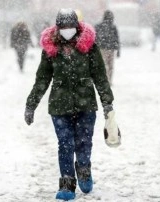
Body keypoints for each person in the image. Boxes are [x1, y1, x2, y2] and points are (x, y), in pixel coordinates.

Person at [24, 8, 115, 201]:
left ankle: (83, 170)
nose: (67, 29)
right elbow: (42, 79)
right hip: (59, 106)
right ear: (58, 28)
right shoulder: (51, 50)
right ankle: (67, 184)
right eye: (63, 26)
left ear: (77, 26)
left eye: (70, 26)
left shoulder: (89, 47)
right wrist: (31, 104)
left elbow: (100, 77)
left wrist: (107, 103)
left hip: (86, 105)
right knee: (65, 144)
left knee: (83, 143)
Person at [95, 10, 120, 86]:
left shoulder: (99, 26)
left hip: (102, 48)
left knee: (104, 65)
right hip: (111, 49)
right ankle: (109, 81)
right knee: (110, 66)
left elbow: (95, 38)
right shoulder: (113, 27)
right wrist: (118, 50)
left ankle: (104, 80)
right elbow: (116, 38)